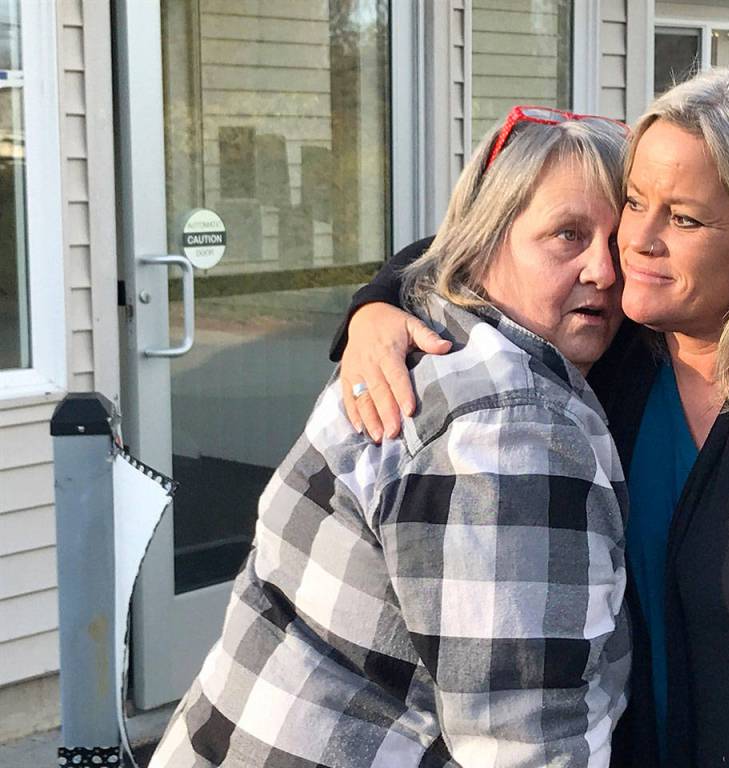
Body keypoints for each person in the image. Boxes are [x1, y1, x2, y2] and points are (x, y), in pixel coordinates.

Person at [333, 68, 729, 768]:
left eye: (684, 218)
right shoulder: (618, 357)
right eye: (634, 201)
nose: (635, 239)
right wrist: (376, 306)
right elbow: (472, 245)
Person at [149, 108, 634, 767]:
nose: (603, 270)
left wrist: (377, 299)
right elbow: (526, 742)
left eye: (621, 243)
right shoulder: (509, 431)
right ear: (484, 241)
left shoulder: (428, 328)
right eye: (567, 235)